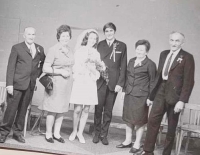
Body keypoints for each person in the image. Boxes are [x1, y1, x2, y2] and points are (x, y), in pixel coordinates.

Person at [140, 32, 195, 155]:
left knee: (171, 127)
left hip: (175, 95)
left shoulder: (187, 57)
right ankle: (148, 151)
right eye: (172, 40)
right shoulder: (164, 54)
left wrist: (181, 101)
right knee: (152, 121)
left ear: (182, 43)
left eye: (177, 41)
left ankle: (166, 153)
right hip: (161, 91)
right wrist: (152, 96)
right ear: (169, 41)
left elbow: (189, 81)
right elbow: (159, 77)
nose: (174, 43)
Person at [0, 27, 45, 143]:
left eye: (33, 34)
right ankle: (3, 132)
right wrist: (9, 85)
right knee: (11, 110)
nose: (31, 36)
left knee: (23, 110)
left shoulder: (40, 49)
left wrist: (36, 75)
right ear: (24, 35)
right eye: (29, 34)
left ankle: (17, 133)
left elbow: (43, 64)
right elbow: (10, 67)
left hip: (30, 85)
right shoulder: (17, 48)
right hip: (16, 85)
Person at [116, 40, 157, 154]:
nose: (139, 51)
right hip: (129, 94)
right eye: (137, 49)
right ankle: (127, 141)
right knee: (128, 119)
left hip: (142, 96)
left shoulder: (150, 64)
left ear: (146, 51)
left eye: (142, 50)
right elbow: (127, 77)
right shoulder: (131, 61)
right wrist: (124, 91)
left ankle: (137, 143)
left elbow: (153, 82)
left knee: (139, 121)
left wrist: (150, 97)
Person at [93, 22, 127, 145]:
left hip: (114, 83)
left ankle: (104, 134)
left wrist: (120, 84)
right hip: (100, 81)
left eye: (111, 31)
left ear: (114, 32)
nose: (109, 33)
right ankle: (96, 133)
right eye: (107, 31)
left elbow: (123, 66)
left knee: (108, 110)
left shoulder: (122, 46)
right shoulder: (99, 45)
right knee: (98, 109)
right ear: (104, 33)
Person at [39, 25, 74, 143]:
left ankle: (57, 134)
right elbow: (45, 68)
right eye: (63, 35)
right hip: (56, 84)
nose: (65, 38)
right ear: (58, 37)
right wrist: (60, 71)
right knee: (53, 110)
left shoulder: (70, 50)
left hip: (67, 85)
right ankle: (48, 134)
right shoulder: (53, 49)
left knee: (62, 110)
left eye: (67, 36)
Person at [69, 29, 103, 144]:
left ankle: (80, 132)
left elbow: (98, 70)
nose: (93, 40)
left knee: (86, 109)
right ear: (86, 38)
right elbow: (74, 67)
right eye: (91, 38)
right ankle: (74, 131)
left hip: (90, 82)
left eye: (95, 39)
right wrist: (83, 68)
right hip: (80, 81)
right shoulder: (79, 51)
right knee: (78, 108)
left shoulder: (96, 53)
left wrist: (93, 70)